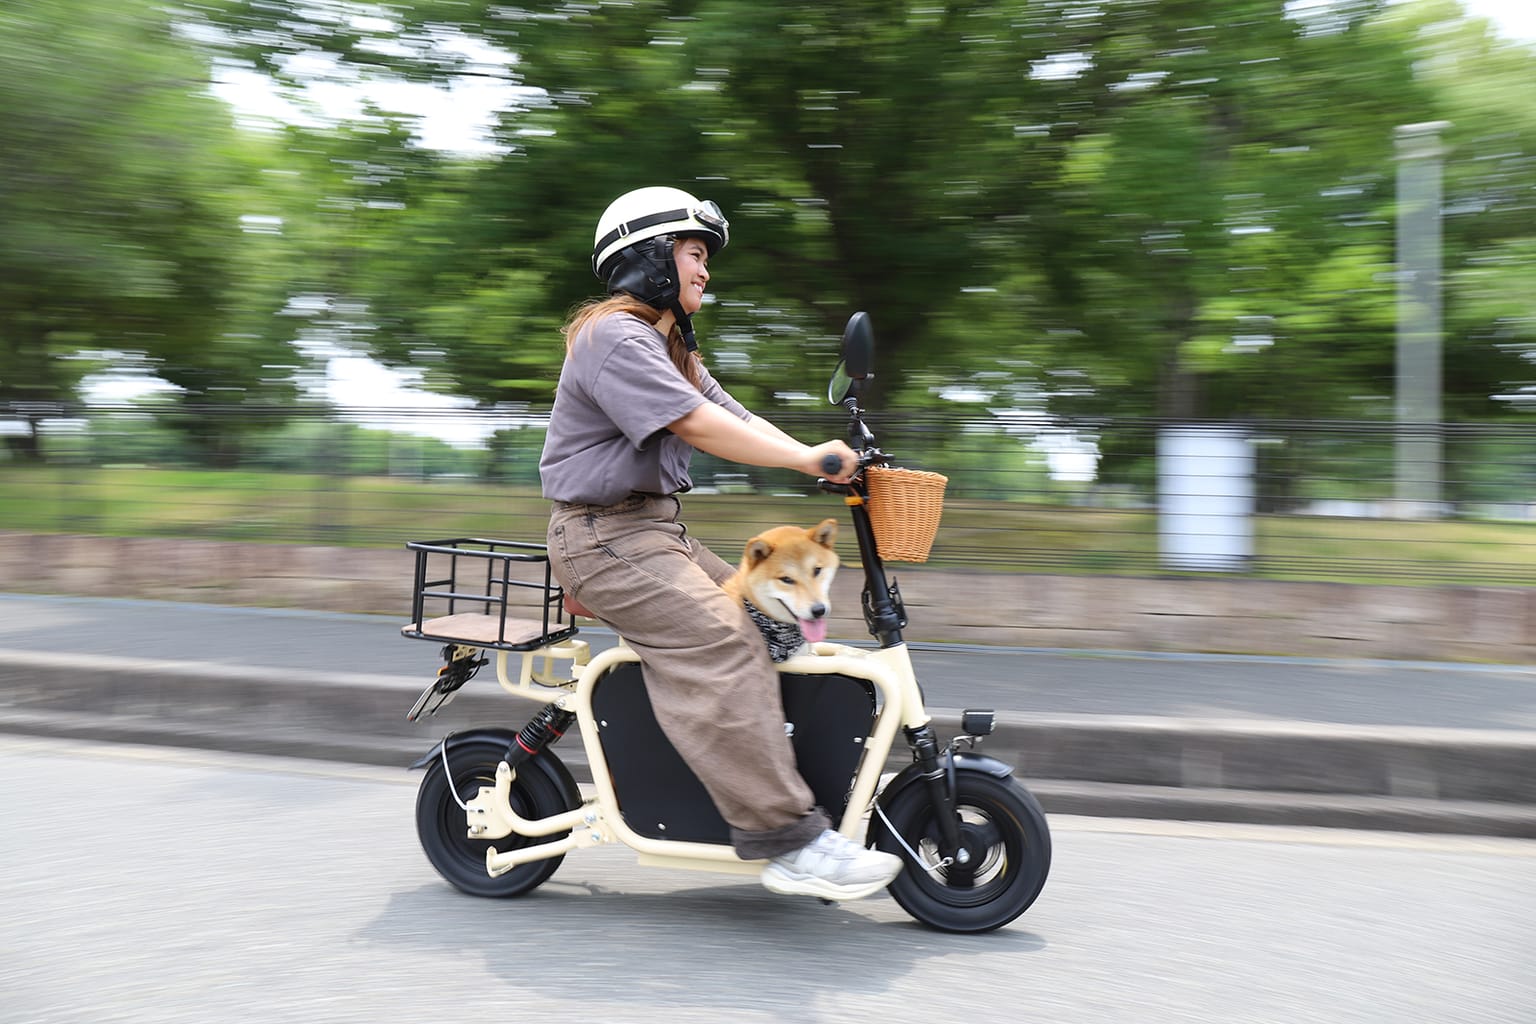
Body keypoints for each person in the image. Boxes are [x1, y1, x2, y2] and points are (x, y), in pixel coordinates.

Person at [538, 185, 903, 901]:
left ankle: (730, 785)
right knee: (725, 641)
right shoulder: (612, 336)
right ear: (649, 257)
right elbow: (699, 428)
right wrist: (804, 460)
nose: (705, 271)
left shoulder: (668, 347)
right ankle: (789, 842)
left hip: (650, 533)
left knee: (774, 623)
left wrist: (811, 457)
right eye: (694, 253)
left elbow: (731, 415)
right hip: (602, 538)